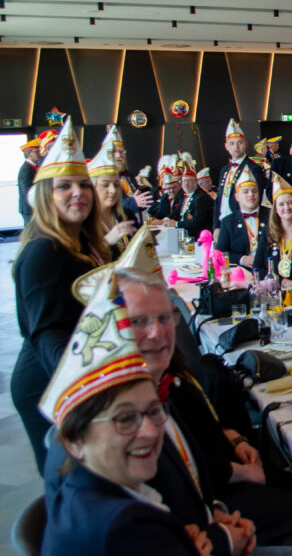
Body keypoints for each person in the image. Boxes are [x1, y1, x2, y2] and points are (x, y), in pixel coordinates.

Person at [112, 253, 292, 550]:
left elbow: (192, 442)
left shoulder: (162, 378)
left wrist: (233, 438)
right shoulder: (124, 409)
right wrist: (220, 531)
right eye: (139, 321)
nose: (157, 332)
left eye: (164, 318)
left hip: (213, 490)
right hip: (199, 515)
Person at [39, 271, 215, 556]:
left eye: (164, 317)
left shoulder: (154, 390)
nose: (151, 430)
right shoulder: (120, 526)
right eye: (125, 419)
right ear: (75, 441)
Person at [13, 119, 109, 473]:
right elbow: (47, 335)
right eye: (64, 186)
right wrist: (93, 387)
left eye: (84, 185)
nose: (78, 193)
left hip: (79, 368)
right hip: (49, 382)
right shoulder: (43, 251)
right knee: (70, 480)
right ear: (45, 195)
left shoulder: (83, 242)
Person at [255, 173, 292, 291]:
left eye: (291, 202)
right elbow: (258, 267)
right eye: (281, 204)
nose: (287, 207)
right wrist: (282, 282)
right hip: (274, 294)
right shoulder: (267, 232)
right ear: (275, 209)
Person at [88, 127, 137, 259]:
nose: (113, 190)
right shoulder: (84, 222)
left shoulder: (127, 215)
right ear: (92, 187)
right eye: (105, 185)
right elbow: (82, 263)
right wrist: (107, 241)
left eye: (116, 185)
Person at [214, 119, 266, 226]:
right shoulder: (224, 170)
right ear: (226, 146)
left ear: (246, 144)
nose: (236, 147)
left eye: (240, 143)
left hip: (240, 222)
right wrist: (216, 226)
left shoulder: (253, 168)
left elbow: (255, 199)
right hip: (223, 223)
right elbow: (219, 200)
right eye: (232, 143)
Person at [215, 165, 269, 268]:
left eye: (254, 191)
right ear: (237, 196)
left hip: (268, 269)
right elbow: (220, 253)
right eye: (245, 191)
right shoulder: (228, 222)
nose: (251, 194)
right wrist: (242, 259)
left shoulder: (271, 216)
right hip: (240, 271)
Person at [172, 159, 215, 239]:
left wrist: (176, 224)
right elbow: (176, 212)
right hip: (186, 235)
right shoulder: (187, 196)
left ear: (195, 182)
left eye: (189, 180)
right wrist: (165, 220)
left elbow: (197, 222)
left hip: (199, 238)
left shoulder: (201, 198)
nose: (186, 183)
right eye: (184, 181)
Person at [18, 137, 40, 225]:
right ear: (29, 154)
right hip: (29, 209)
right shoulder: (26, 169)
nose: (39, 153)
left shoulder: (32, 167)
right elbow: (28, 191)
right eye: (37, 151)